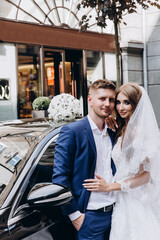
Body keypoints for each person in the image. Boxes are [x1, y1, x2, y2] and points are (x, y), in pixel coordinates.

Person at [83, 82, 160, 239]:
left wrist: (111, 186)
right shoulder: (121, 127)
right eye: (118, 102)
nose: (121, 107)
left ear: (136, 104)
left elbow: (147, 175)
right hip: (119, 200)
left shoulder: (141, 133)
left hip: (135, 200)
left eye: (127, 102)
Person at [52, 79, 117, 240]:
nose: (107, 103)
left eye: (111, 100)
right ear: (90, 100)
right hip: (89, 217)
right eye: (102, 99)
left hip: (117, 213)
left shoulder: (115, 131)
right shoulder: (72, 131)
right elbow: (60, 178)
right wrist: (75, 216)